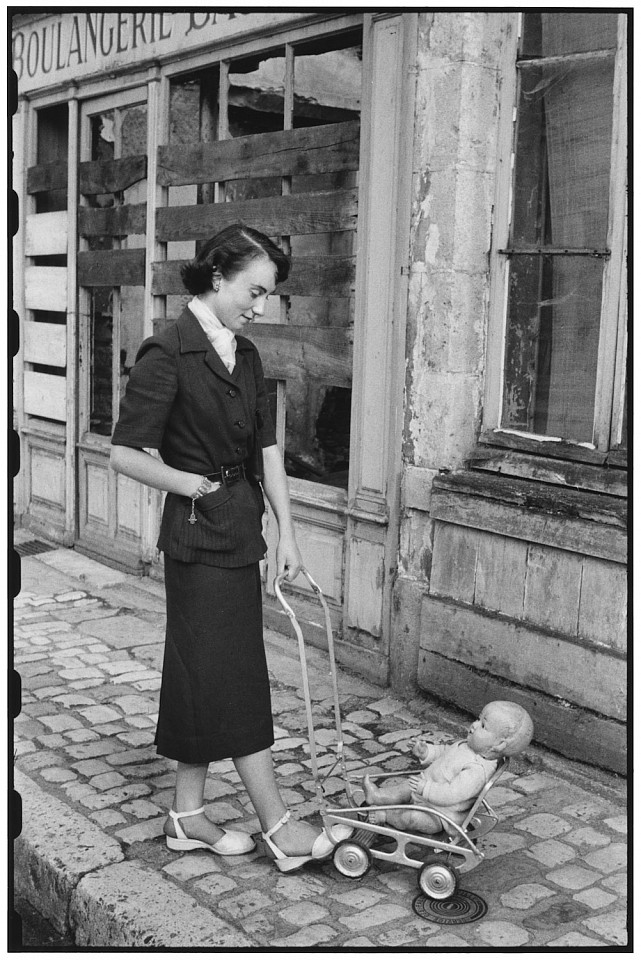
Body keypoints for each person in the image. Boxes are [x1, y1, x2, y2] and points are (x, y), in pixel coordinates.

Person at [110, 223, 349, 873]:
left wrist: (290, 532)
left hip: (240, 530)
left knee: (203, 674)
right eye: (253, 290)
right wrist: (192, 483)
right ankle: (278, 827)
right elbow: (124, 451)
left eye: (268, 295)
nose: (260, 306)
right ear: (217, 277)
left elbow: (266, 449)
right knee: (235, 680)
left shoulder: (243, 354)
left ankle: (187, 815)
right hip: (197, 538)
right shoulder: (168, 351)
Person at [362, 701, 533, 834]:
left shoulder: (477, 770)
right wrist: (426, 752)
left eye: (483, 725)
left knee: (412, 818)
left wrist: (426, 788)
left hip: (440, 815)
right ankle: (378, 796)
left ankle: (385, 815)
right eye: (478, 719)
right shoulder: (467, 746)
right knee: (404, 787)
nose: (474, 724)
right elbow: (444, 753)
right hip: (424, 792)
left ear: (499, 744)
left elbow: (454, 794)